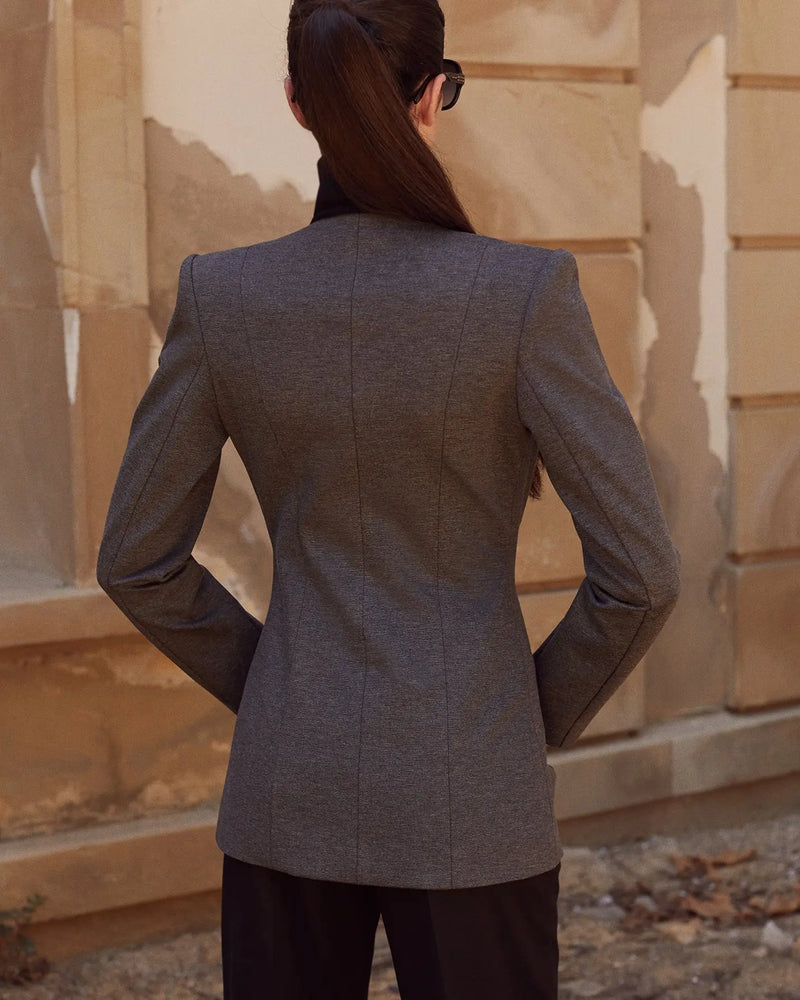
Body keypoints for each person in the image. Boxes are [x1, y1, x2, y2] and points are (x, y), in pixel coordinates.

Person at [96, 0, 681, 997]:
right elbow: (642, 576)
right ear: (433, 96)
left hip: (288, 787)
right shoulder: (522, 295)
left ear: (297, 102)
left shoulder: (223, 297)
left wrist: (281, 688)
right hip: (470, 793)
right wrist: (513, 716)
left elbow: (134, 561)